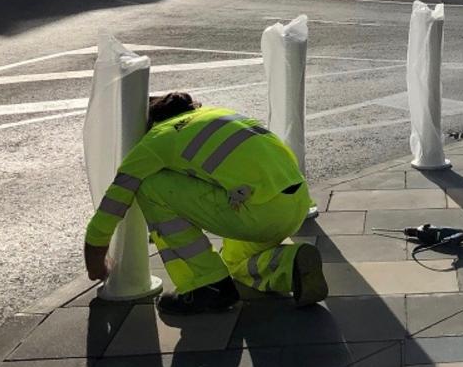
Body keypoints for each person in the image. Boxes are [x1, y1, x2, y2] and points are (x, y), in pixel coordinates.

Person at [83, 92, 325, 315]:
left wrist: (95, 253)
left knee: (149, 185)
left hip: (259, 213)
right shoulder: (218, 115)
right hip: (296, 204)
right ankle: (290, 264)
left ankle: (206, 284)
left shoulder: (158, 137)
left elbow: (116, 198)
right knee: (234, 263)